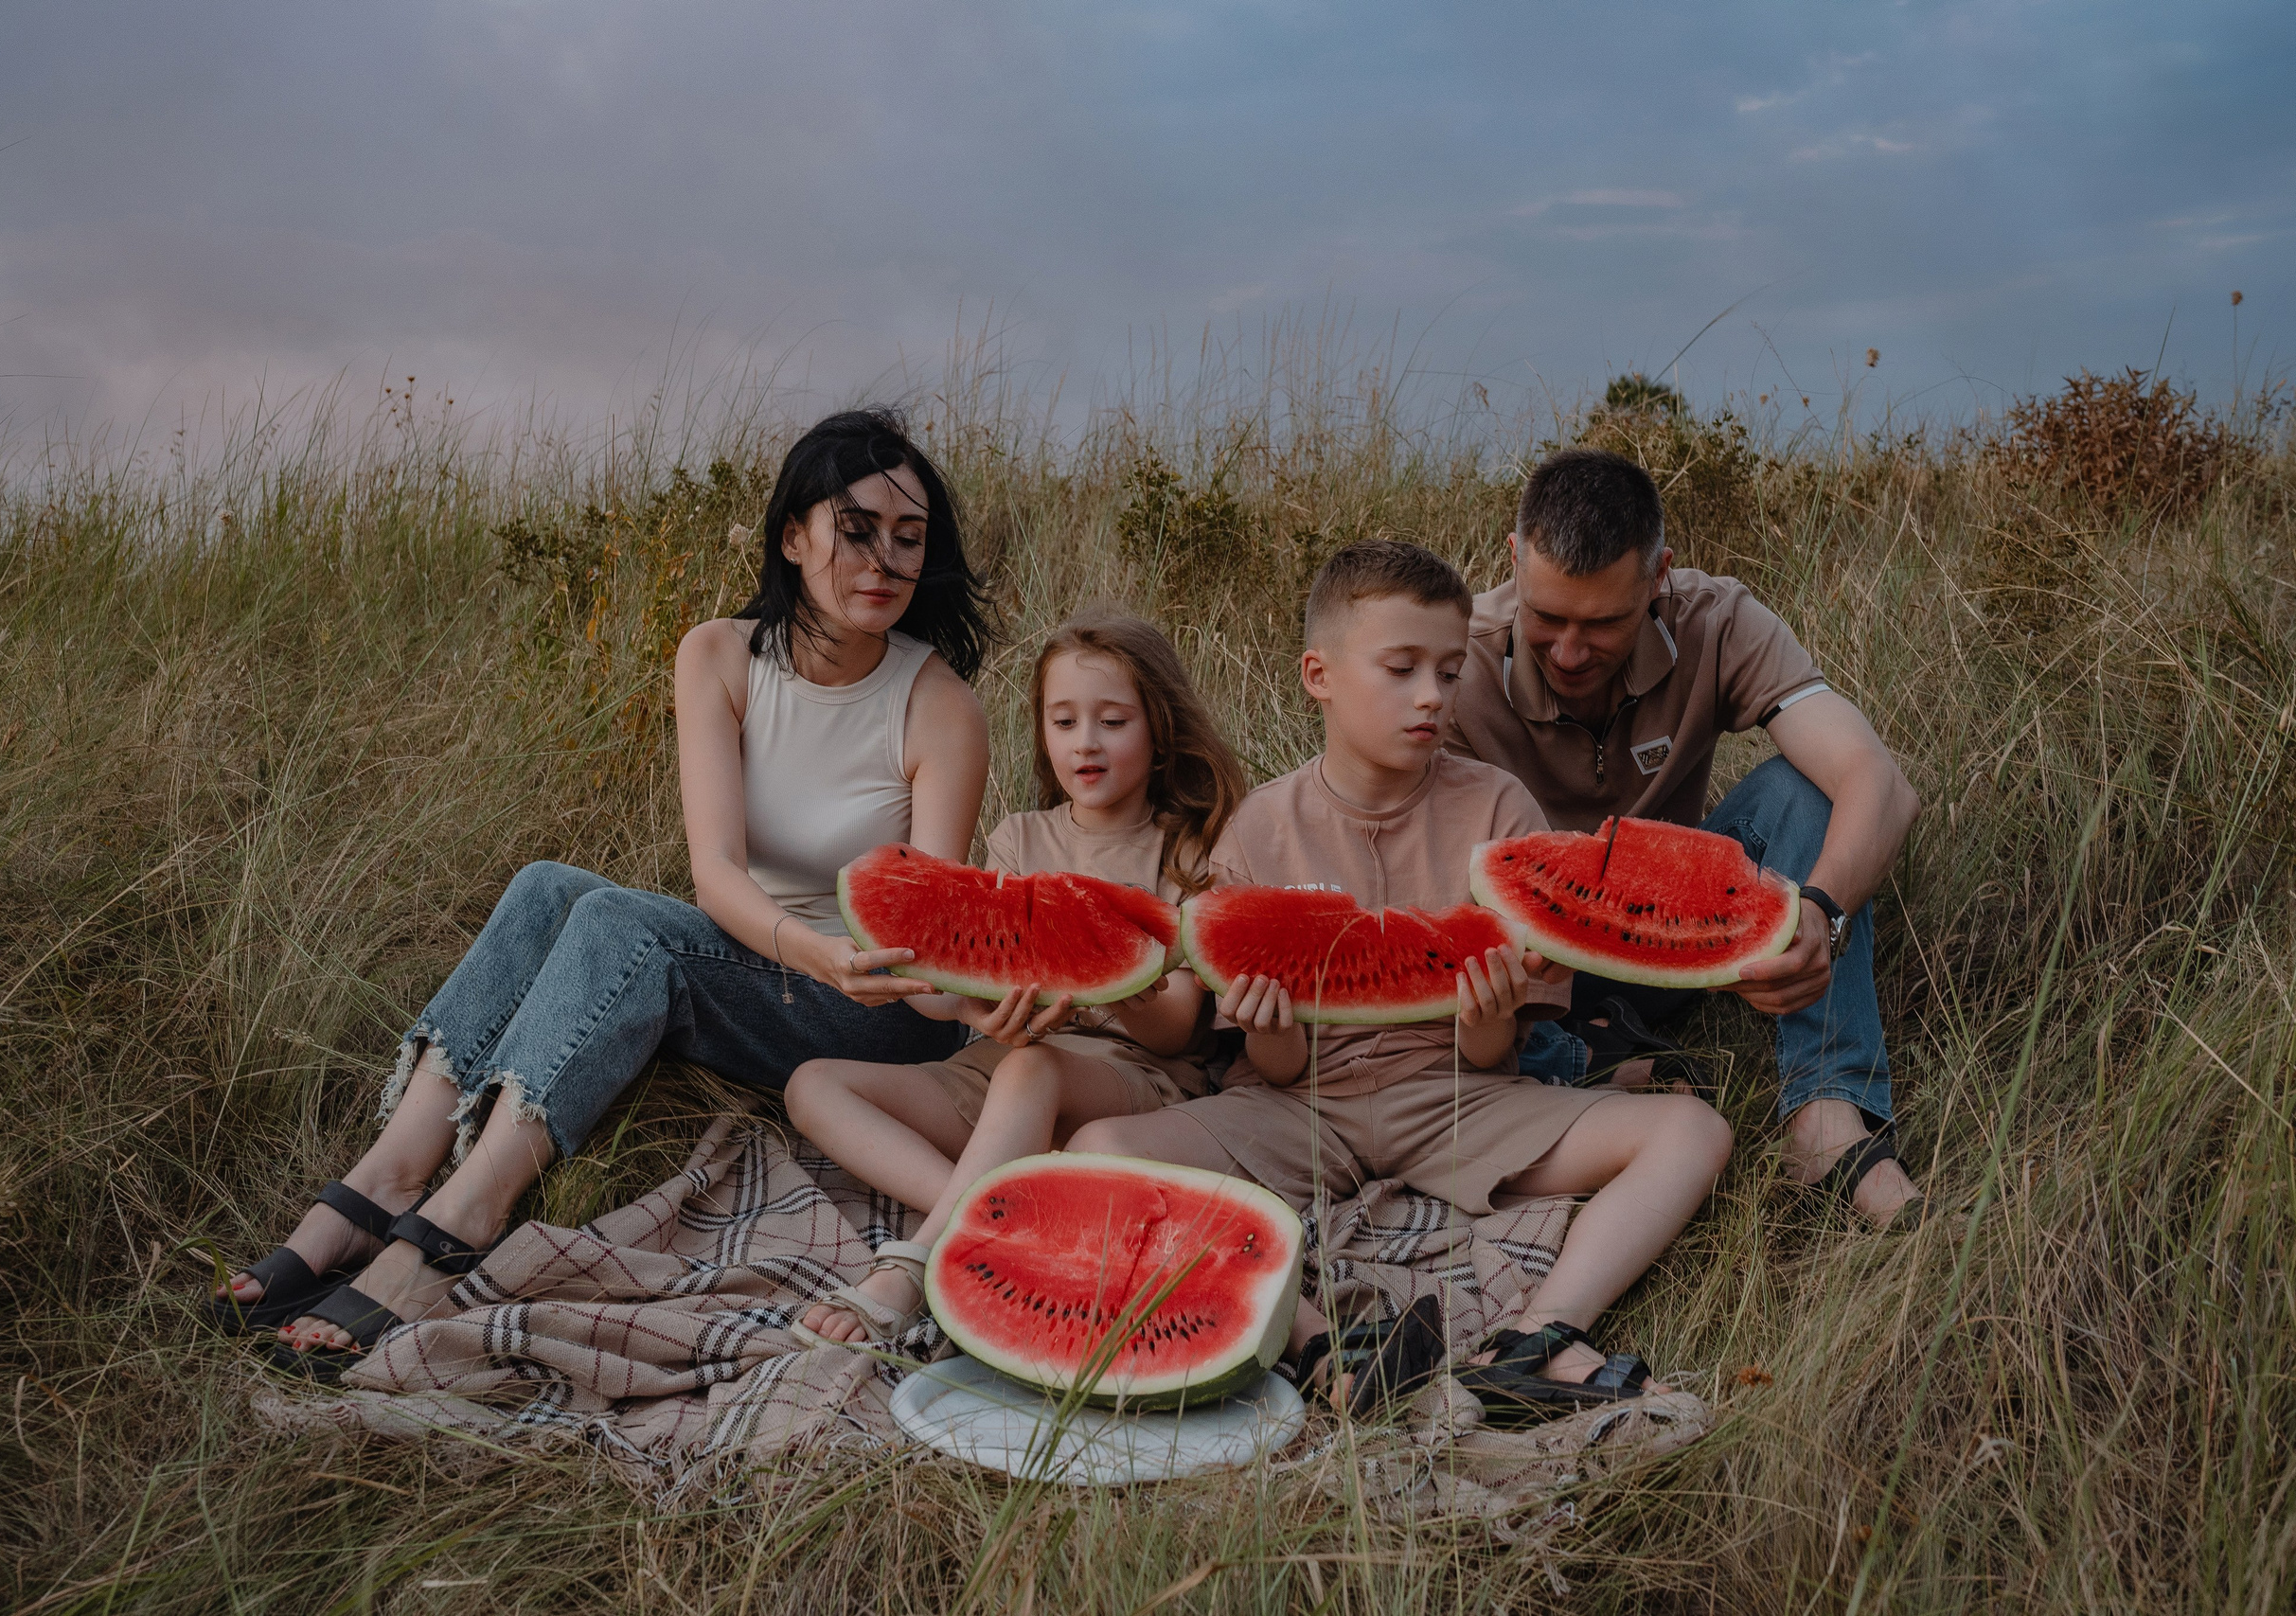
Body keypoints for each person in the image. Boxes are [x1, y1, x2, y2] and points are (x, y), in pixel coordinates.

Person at [212, 409, 996, 1373]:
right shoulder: (718, 655)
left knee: (626, 922)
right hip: (771, 954)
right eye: (855, 529)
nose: (882, 559)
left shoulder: (939, 705)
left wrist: (871, 965)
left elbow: (924, 927)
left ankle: (460, 1220)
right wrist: (803, 947)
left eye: (908, 538)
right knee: (549, 888)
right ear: (794, 537)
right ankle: (389, 1176)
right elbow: (714, 871)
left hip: (873, 1005)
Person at [1069, 541, 1734, 1414]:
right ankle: (1321, 1345)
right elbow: (1274, 1069)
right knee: (1097, 1156)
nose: (1432, 695)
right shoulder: (1260, 828)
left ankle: (1538, 1336)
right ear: (1321, 675)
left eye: (1450, 670)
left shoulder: (1498, 811)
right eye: (1402, 668)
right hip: (1297, 1108)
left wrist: (1486, 1015)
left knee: (1692, 1131)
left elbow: (1497, 1052)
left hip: (1456, 1099)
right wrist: (1271, 1027)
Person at [1449, 448, 1925, 1225]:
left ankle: (1828, 1120)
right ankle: (1584, 1065)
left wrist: (1820, 914)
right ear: (1513, 560)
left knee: (1801, 791)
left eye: (1603, 623)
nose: (1569, 652)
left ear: (1659, 575)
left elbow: (1881, 784)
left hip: (1679, 935)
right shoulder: (1456, 660)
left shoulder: (1717, 619)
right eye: (1546, 617)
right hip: (1523, 976)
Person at [785, 613, 1246, 1347]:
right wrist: (964, 997)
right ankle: (1006, 1218)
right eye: (1063, 720)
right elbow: (953, 995)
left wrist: (1128, 989)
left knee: (1031, 1067)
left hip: (1128, 1083)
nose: (1085, 741)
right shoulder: (1019, 838)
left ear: (1158, 727)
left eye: (1113, 720)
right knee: (812, 1084)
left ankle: (916, 1263)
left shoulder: (1188, 847)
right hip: (995, 1070)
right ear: (1043, 731)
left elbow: (1181, 1031)